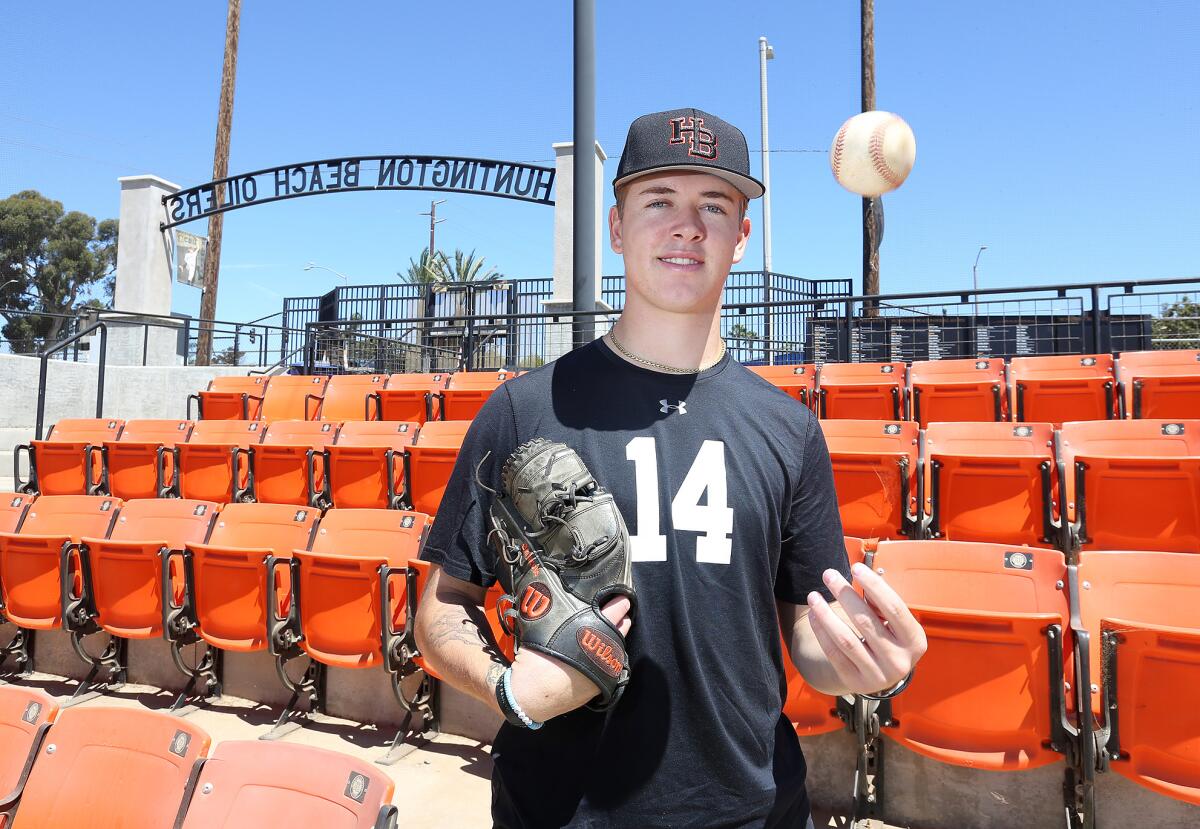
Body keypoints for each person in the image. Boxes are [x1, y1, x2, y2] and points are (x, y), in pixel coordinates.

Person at [414, 107, 927, 828]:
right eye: (659, 201)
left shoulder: (788, 428)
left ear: (741, 236)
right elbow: (441, 606)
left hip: (753, 810)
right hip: (559, 811)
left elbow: (807, 635)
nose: (687, 225)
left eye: (714, 205)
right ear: (618, 226)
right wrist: (506, 689)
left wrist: (862, 662)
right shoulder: (523, 409)